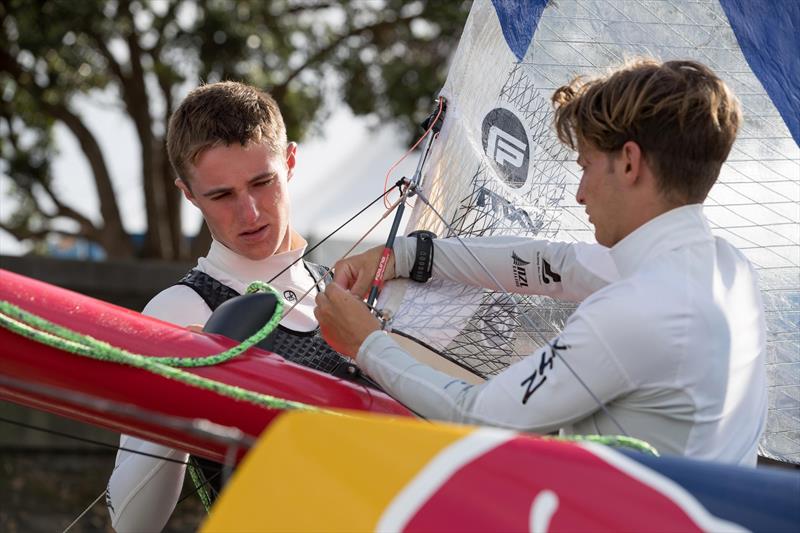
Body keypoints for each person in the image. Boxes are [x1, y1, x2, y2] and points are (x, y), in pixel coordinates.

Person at [314, 58, 768, 466]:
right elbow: (554, 263)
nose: (580, 193)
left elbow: (475, 417)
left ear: (629, 163)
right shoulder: (728, 269)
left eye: (586, 165)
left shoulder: (637, 309)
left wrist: (366, 343)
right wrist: (409, 254)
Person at [106, 81, 340, 531]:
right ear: (189, 195)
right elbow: (132, 523)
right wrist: (182, 393)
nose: (249, 213)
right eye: (221, 195)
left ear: (290, 162)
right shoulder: (181, 308)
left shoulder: (343, 292)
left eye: (262, 182)